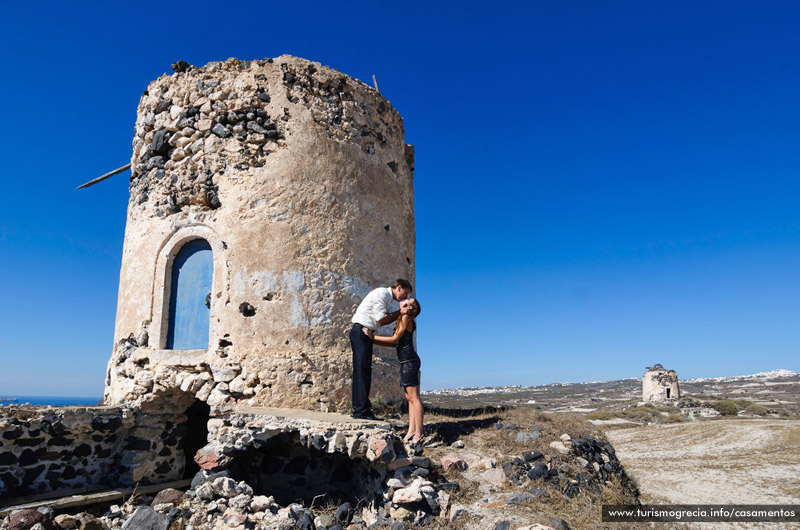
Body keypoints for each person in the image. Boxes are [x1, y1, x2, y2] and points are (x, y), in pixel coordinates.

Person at [350, 279, 413, 420]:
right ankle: (361, 411)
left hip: (364, 332)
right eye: (405, 293)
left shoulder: (388, 299)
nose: (405, 297)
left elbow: (389, 319)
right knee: (362, 372)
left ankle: (360, 409)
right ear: (399, 287)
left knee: (363, 372)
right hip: (361, 331)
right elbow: (381, 319)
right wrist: (400, 312)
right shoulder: (381, 294)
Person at [372, 298, 423, 442]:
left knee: (414, 398)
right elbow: (396, 344)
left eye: (409, 305)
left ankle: (419, 434)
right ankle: (411, 431)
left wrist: (372, 338)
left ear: (412, 311)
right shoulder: (403, 318)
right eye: (405, 302)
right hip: (407, 361)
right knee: (410, 398)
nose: (405, 305)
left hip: (409, 361)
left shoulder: (406, 318)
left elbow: (394, 340)